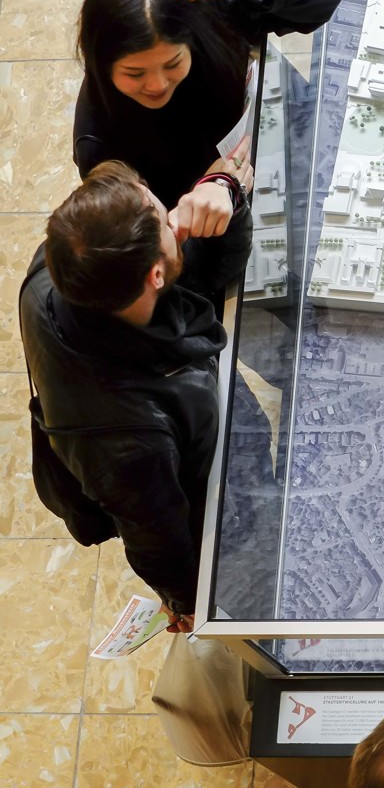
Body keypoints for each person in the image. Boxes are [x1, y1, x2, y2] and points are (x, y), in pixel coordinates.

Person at [20, 159, 252, 631]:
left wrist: (223, 192)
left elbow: (205, 274)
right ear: (156, 277)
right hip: (203, 494)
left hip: (182, 420)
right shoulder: (128, 442)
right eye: (165, 220)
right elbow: (157, 538)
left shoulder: (64, 266)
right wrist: (186, 601)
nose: (173, 213)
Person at [75, 0, 341, 234]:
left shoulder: (211, 17)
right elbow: (146, 239)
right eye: (135, 74)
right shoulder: (97, 146)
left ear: (191, 39)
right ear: (101, 66)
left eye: (173, 63)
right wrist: (213, 191)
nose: (157, 84)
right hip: (217, 221)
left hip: (277, 140)